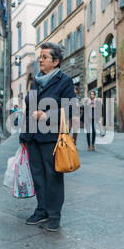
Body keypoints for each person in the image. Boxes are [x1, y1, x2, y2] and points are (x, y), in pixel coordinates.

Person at [19, 42, 79, 232]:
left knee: (53, 176)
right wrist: (23, 135)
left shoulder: (65, 81)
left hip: (53, 138)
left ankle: (54, 215)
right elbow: (28, 108)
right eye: (40, 57)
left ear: (56, 61)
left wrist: (47, 116)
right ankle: (41, 210)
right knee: (38, 176)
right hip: (33, 137)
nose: (41, 60)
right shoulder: (36, 80)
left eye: (45, 57)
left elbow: (72, 107)